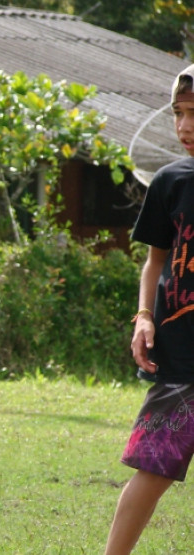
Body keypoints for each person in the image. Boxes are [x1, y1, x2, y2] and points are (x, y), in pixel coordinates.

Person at [104, 63, 194, 555]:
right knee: (152, 468)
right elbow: (154, 260)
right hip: (179, 362)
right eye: (179, 114)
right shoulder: (171, 181)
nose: (184, 127)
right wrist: (143, 316)